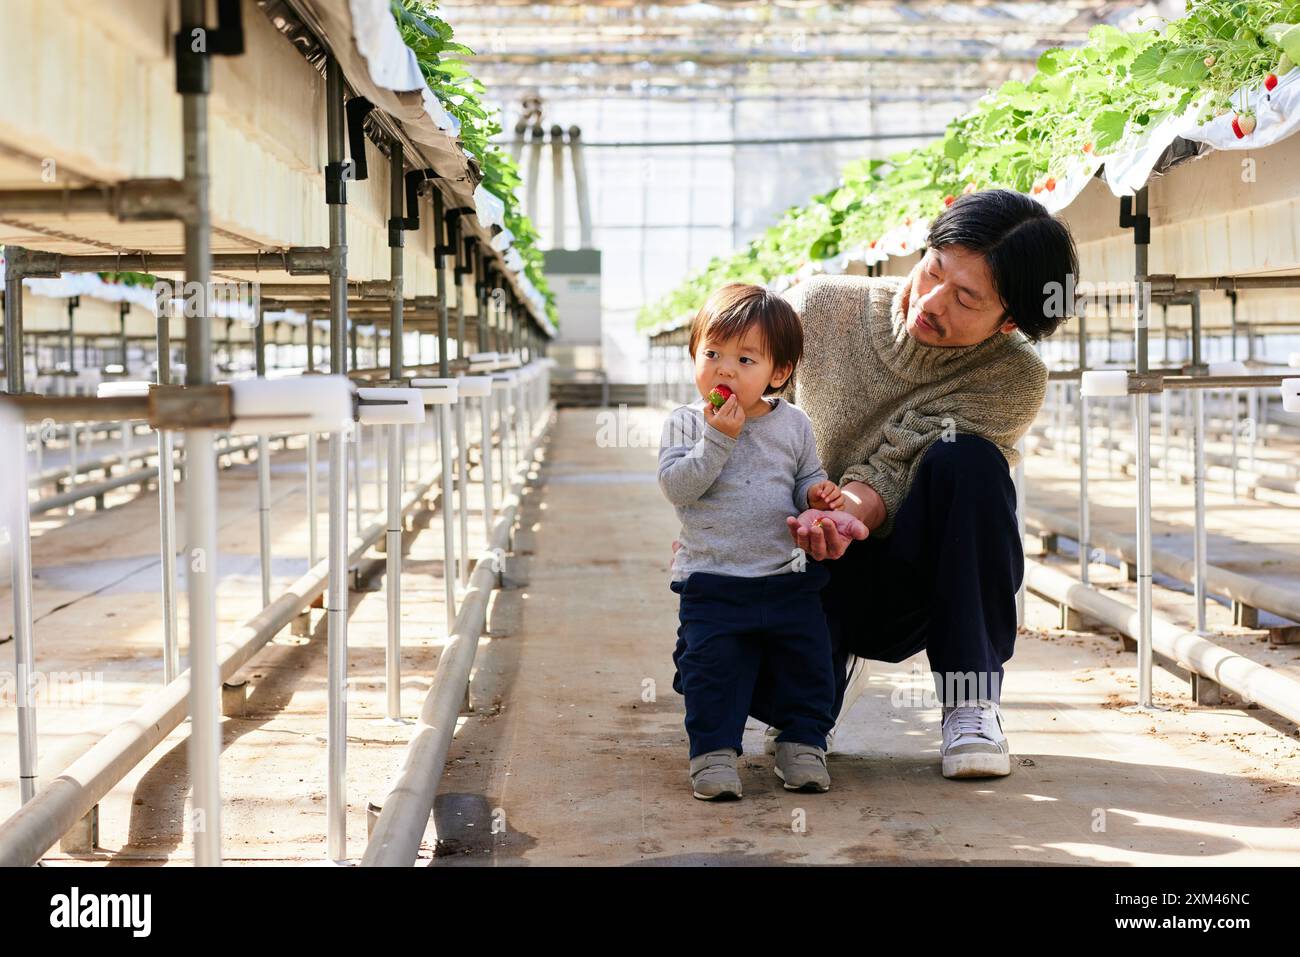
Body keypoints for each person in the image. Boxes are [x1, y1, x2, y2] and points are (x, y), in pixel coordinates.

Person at [762, 188, 1078, 778]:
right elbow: (746, 422)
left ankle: (971, 701)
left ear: (1008, 320)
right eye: (933, 270)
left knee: (971, 465)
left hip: (910, 575)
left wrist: (846, 513)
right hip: (800, 556)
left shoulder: (1011, 375)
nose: (932, 301)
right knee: (786, 722)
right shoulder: (819, 310)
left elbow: (895, 465)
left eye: (966, 298)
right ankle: (808, 691)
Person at [658, 282, 867, 800]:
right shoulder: (687, 423)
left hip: (785, 576)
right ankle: (713, 754)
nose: (724, 369)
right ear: (694, 357)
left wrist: (817, 495)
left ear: (778, 374)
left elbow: (802, 480)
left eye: (745, 359)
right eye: (712, 353)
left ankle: (801, 744)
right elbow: (679, 487)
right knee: (713, 670)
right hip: (713, 578)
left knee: (809, 665)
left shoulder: (794, 424)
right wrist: (718, 438)